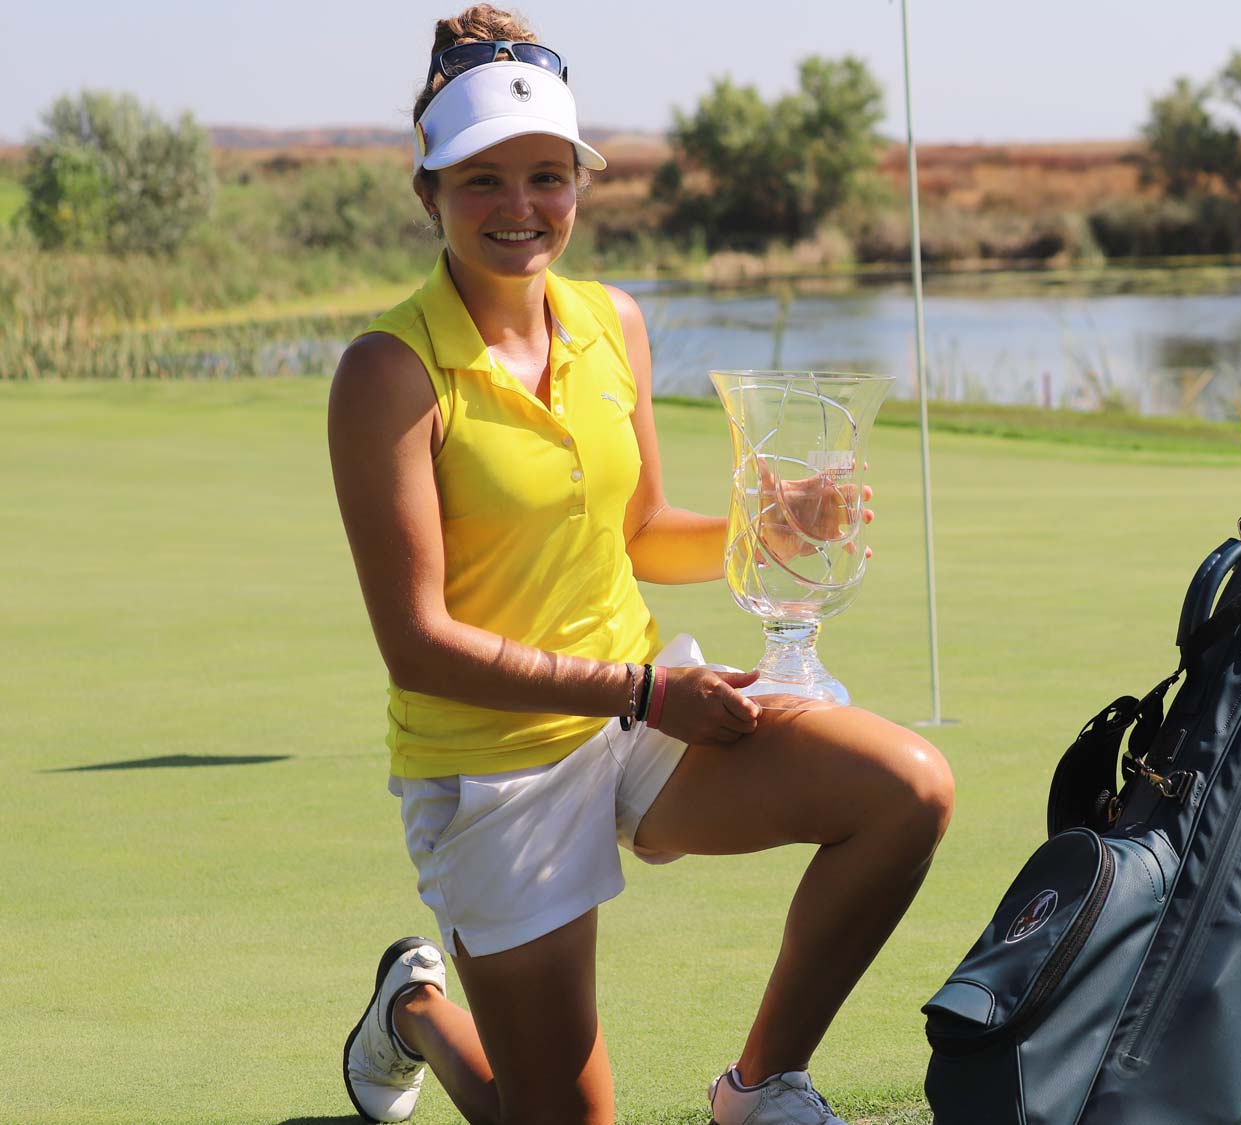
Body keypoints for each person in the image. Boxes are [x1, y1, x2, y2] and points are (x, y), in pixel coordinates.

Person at [326, 8, 954, 1124]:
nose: (519, 209)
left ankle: (758, 1089)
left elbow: (642, 526)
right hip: (492, 766)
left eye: (545, 176)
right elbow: (418, 644)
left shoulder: (611, 320)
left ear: (578, 183)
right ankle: (414, 1007)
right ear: (427, 193)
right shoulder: (388, 371)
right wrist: (646, 692)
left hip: (641, 720)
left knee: (906, 789)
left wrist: (773, 524)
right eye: (481, 182)